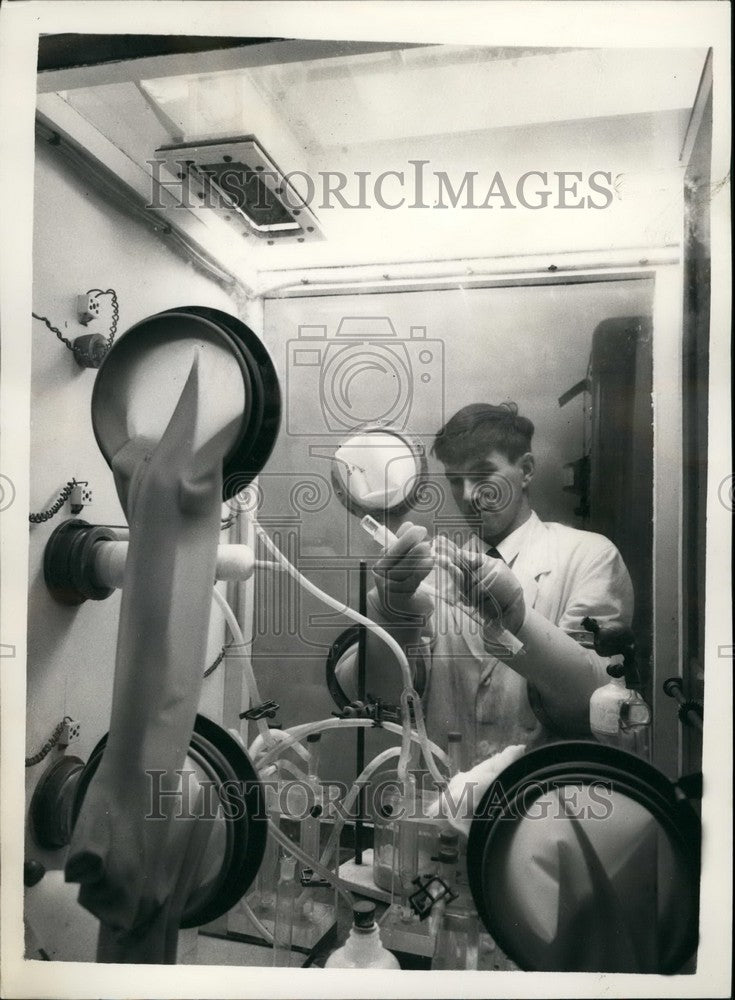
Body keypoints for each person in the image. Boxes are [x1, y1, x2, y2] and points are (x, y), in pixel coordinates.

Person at [342, 402, 634, 768]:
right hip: (445, 803)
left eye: (482, 475)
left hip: (545, 804)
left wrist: (519, 620)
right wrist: (390, 614)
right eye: (455, 481)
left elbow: (596, 703)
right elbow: (378, 700)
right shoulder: (429, 575)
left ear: (525, 470)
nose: (467, 495)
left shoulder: (589, 556)